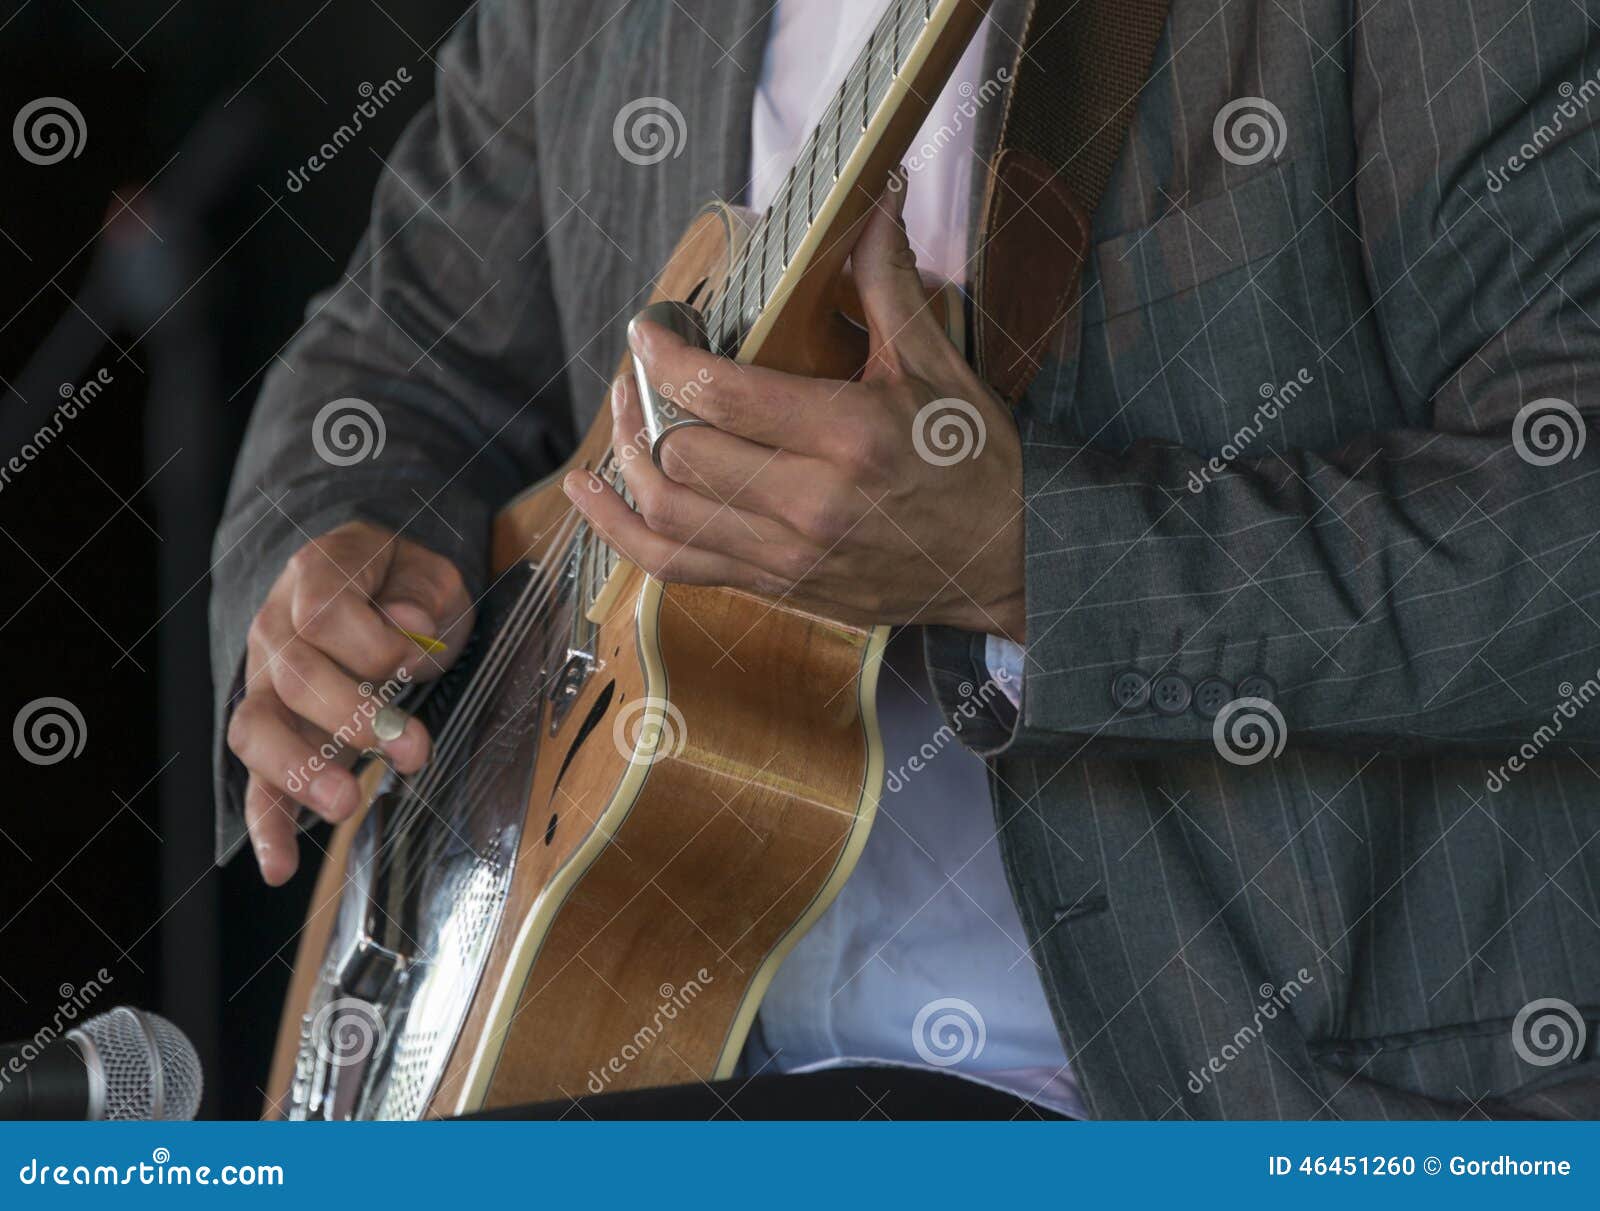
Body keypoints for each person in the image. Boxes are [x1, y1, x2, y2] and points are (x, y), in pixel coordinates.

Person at [211, 0, 1600, 1119]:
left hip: (1229, 1090)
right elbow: (397, 355)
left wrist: (1033, 557)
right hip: (639, 1050)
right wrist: (329, 544)